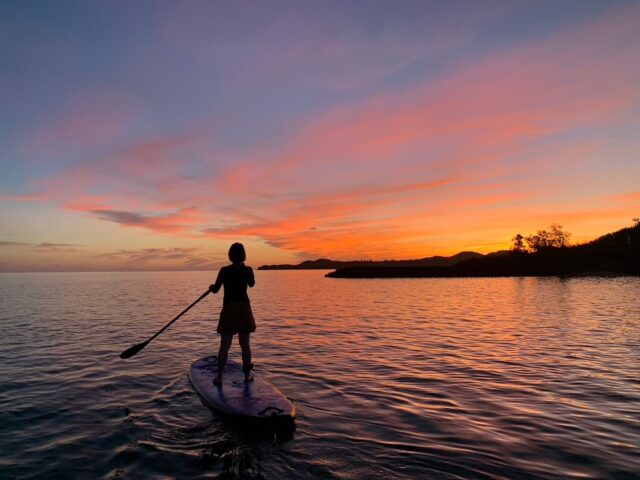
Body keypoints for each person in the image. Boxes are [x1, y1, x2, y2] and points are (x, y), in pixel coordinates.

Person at [209, 242, 256, 386]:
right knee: (245, 345)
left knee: (225, 345)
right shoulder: (248, 270)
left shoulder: (224, 270)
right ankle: (247, 376)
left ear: (230, 255)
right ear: (243, 255)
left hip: (229, 308)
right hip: (243, 308)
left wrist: (211, 287)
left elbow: (216, 290)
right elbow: (252, 284)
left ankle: (219, 377)